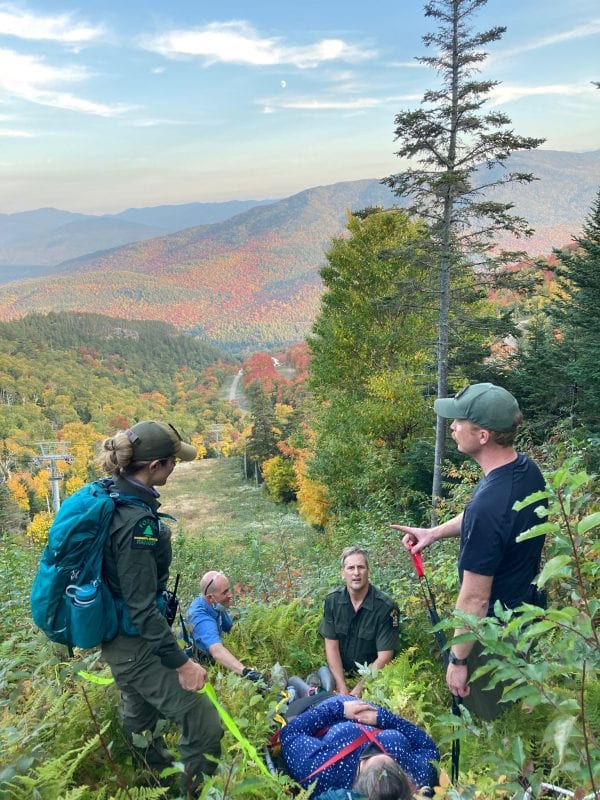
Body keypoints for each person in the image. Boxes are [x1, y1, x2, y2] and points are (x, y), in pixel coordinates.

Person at [392, 383, 546, 721]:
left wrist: (459, 661)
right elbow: (492, 519)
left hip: (492, 635)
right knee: (523, 713)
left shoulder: (489, 504)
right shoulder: (524, 471)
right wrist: (433, 532)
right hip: (527, 617)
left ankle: (523, 774)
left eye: (459, 421)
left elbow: (475, 598)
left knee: (499, 726)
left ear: (483, 436)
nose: (452, 427)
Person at [98, 420, 223, 795]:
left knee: (140, 715)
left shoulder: (114, 496)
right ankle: (192, 792)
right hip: (136, 643)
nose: (175, 468)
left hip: (121, 641)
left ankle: (154, 780)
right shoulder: (137, 524)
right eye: (172, 462)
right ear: (154, 467)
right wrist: (182, 664)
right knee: (202, 720)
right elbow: (140, 608)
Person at [279, 694, 439, 798]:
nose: (373, 749)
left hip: (321, 708)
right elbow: (429, 749)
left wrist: (339, 709)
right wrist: (385, 718)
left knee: (299, 696)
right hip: (365, 708)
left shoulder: (321, 772)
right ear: (405, 779)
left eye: (368, 756)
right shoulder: (417, 777)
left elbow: (290, 732)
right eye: (391, 760)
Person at [318, 547, 401, 697]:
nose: (356, 573)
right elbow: (331, 646)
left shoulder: (386, 607)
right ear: (343, 574)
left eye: (361, 567)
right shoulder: (332, 601)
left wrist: (359, 689)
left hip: (373, 679)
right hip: (341, 675)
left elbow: (385, 656)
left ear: (368, 572)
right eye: (351, 568)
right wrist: (342, 687)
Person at [187, 570, 263, 682]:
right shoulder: (200, 617)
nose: (230, 595)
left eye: (229, 589)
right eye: (225, 592)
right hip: (201, 667)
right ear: (210, 598)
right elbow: (216, 651)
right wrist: (246, 672)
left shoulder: (217, 605)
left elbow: (231, 629)